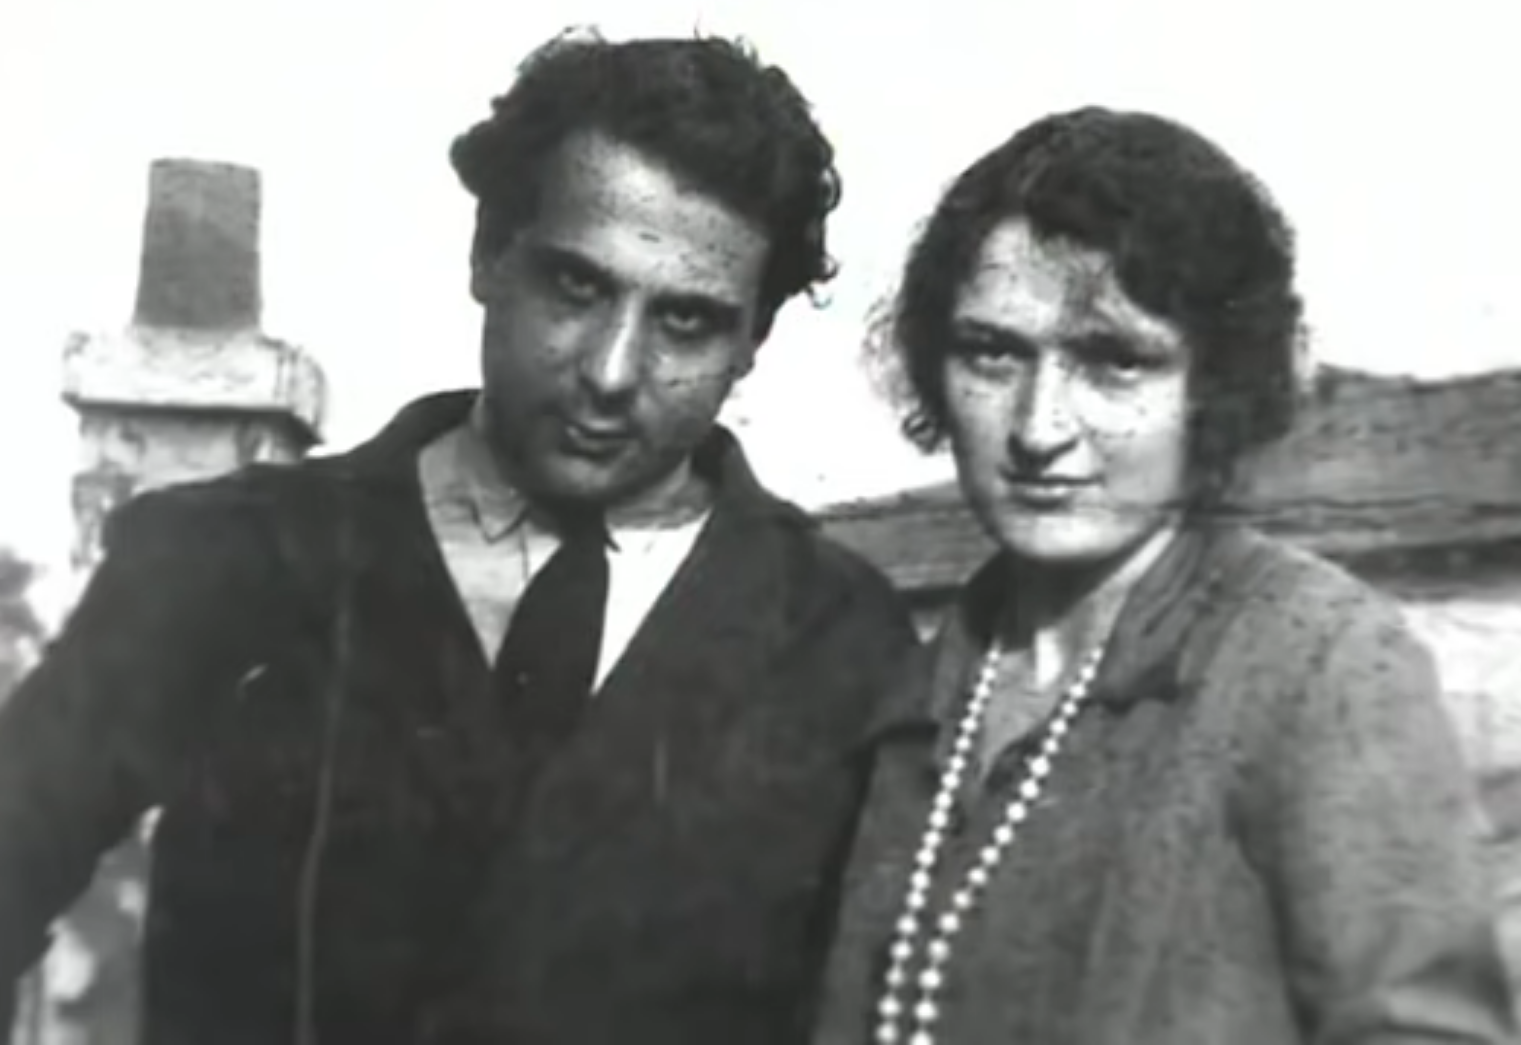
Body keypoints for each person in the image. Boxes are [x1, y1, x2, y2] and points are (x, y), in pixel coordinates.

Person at [0, 31, 918, 1045]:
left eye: (686, 322)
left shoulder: (840, 641)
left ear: (751, 343)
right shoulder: (230, 556)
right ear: (488, 257)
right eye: (576, 287)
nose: (611, 372)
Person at [811, 108, 1518, 1045]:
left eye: (1114, 361)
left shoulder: (1321, 665)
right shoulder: (922, 687)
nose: (1037, 426)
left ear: (1214, 387)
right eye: (993, 352)